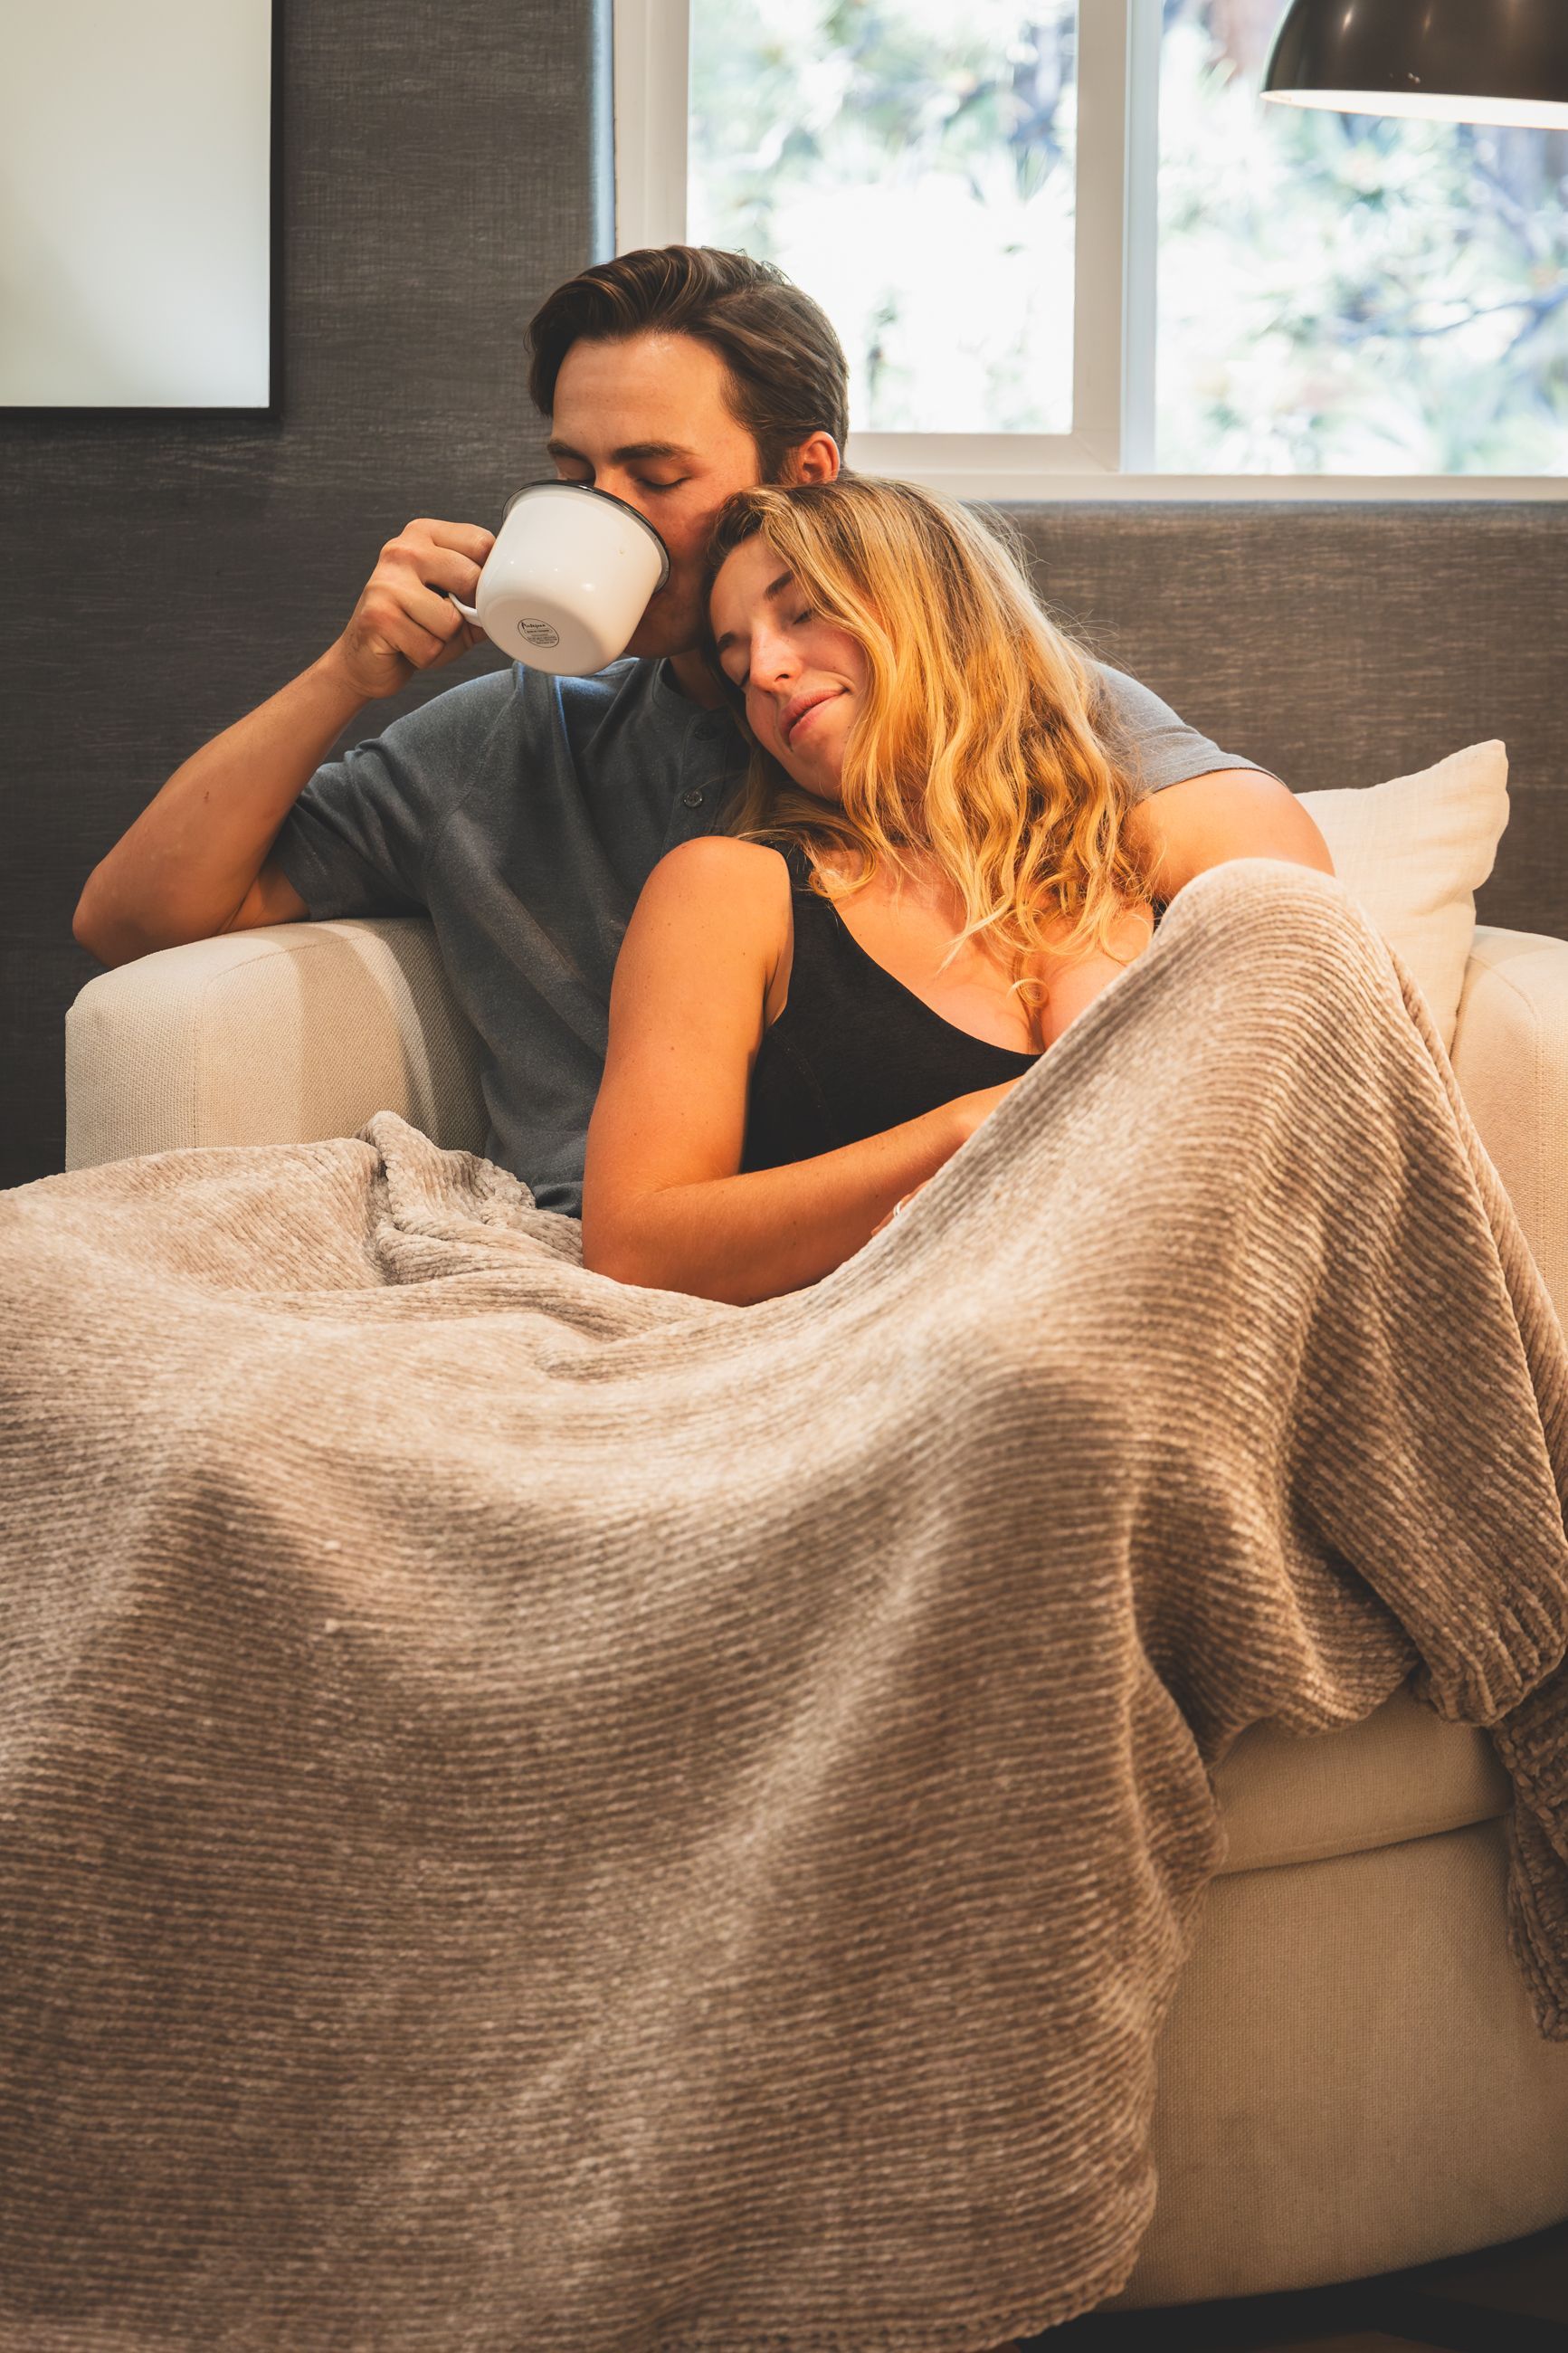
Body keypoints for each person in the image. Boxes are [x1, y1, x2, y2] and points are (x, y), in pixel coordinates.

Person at [72, 245, 1329, 1221]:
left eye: (655, 475)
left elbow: (1271, 905)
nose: (604, 511)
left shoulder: (990, 706)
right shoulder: (502, 745)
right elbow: (132, 920)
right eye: (575, 476)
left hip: (928, 1249)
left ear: (807, 476)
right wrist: (345, 675)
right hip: (590, 1253)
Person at [580, 474, 1331, 1308]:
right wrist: (962, 1136)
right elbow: (634, 1247)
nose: (763, 670)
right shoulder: (729, 889)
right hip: (873, 1354)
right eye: (735, 659)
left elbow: (1307, 1128)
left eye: (801, 612)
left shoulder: (1146, 862)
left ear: (936, 610)